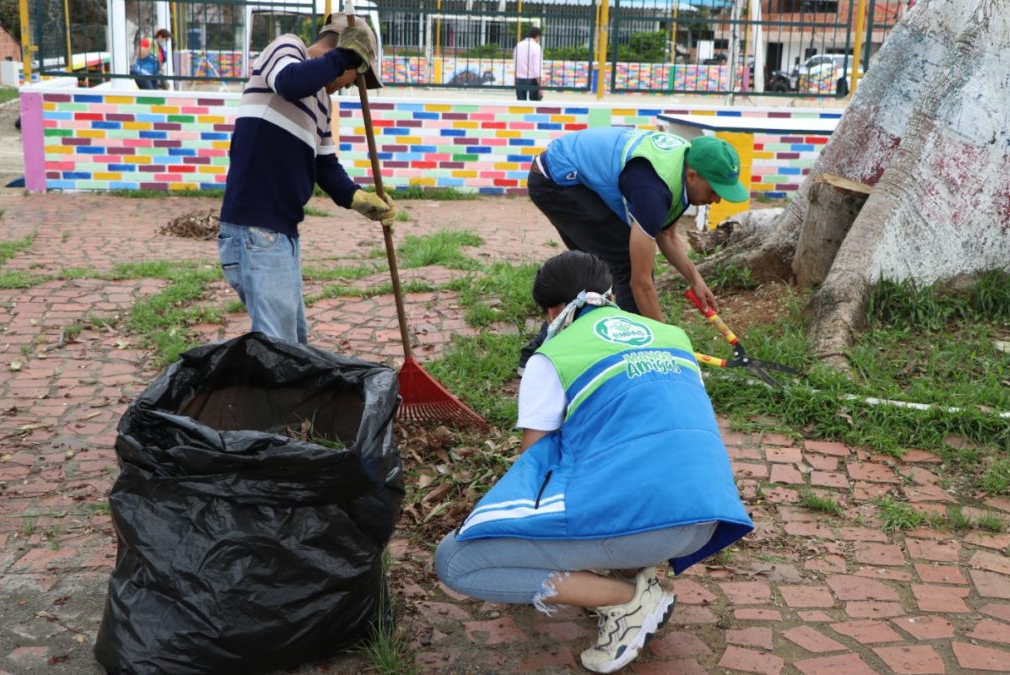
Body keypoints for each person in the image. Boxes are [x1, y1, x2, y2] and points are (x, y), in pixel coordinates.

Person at [436, 250, 753, 674]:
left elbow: (535, 467)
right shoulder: (672, 335)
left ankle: (628, 602)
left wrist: (494, 525)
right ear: (609, 294)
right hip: (706, 518)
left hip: (650, 526)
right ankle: (625, 576)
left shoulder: (553, 355)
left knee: (456, 562)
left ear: (551, 311)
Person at [218, 14, 396, 344]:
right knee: (281, 350)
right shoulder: (287, 48)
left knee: (294, 343)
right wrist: (346, 57)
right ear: (344, 56)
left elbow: (325, 165)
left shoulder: (322, 102)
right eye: (353, 78)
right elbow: (289, 82)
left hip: (281, 233)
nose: (347, 87)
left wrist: (358, 198)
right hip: (254, 230)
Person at [519, 128, 749, 370]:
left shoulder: (681, 168)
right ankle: (637, 356)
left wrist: (695, 279)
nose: (717, 200)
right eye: (714, 191)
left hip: (572, 177)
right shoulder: (654, 187)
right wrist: (666, 344)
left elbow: (666, 232)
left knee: (600, 273)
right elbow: (639, 282)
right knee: (625, 263)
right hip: (556, 180)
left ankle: (548, 353)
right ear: (692, 176)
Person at [513, 26, 543, 101]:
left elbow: (515, 63)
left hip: (519, 78)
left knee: (521, 105)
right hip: (532, 79)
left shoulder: (518, 45)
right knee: (534, 105)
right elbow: (537, 69)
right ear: (538, 36)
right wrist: (540, 87)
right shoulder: (536, 47)